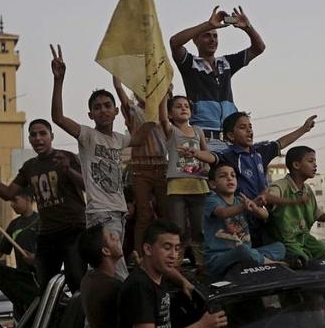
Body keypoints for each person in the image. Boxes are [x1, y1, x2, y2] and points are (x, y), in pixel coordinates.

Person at [50, 44, 129, 280]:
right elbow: (58, 118)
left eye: (107, 106)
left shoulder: (120, 139)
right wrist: (58, 81)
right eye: (97, 107)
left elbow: (145, 133)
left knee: (102, 270)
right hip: (101, 214)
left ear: (116, 111)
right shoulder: (87, 136)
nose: (103, 110)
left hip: (119, 213)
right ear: (90, 115)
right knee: (117, 270)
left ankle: (93, 304)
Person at [118, 220, 227, 328]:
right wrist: (202, 326)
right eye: (167, 247)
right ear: (148, 249)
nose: (174, 255)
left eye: (177, 249)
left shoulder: (155, 272)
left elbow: (168, 269)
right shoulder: (139, 288)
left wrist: (183, 281)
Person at [0, 119, 86, 293]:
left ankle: (80, 310)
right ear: (29, 139)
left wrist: (68, 170)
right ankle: (53, 310)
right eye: (33, 135)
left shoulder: (66, 157)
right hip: (47, 233)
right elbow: (8, 194)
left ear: (52, 136)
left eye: (43, 133)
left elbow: (87, 186)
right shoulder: (29, 167)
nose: (38, 138)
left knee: (76, 279)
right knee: (44, 285)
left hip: (73, 230)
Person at [184, 112, 317, 246]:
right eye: (242, 127)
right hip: (242, 213)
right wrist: (196, 153)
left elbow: (280, 143)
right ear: (231, 135)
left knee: (272, 246)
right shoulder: (230, 155)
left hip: (262, 212)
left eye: (250, 127)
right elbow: (212, 157)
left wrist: (304, 129)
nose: (249, 131)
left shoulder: (260, 152)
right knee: (247, 248)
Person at [170, 6, 266, 152]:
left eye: (215, 36)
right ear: (195, 41)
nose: (212, 40)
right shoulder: (190, 63)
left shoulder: (226, 63)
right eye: (207, 35)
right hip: (204, 139)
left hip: (231, 139)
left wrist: (248, 27)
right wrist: (208, 24)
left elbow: (259, 48)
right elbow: (174, 42)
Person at [265, 146, 325, 264]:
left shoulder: (307, 190)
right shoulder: (281, 185)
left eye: (315, 161)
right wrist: (294, 202)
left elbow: (318, 215)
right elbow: (267, 197)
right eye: (311, 161)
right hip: (284, 241)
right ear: (296, 165)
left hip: (304, 238)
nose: (315, 165)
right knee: (302, 260)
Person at [113, 76, 168, 256]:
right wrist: (117, 75)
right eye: (141, 90)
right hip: (140, 168)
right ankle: (139, 254)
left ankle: (165, 252)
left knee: (164, 211)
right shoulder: (134, 111)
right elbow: (120, 92)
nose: (146, 93)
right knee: (144, 213)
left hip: (162, 166)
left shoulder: (163, 113)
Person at [203, 162, 286, 279]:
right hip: (219, 259)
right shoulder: (212, 200)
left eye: (233, 175)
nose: (229, 178)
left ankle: (250, 263)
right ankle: (270, 264)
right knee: (243, 250)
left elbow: (265, 215)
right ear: (213, 184)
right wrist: (246, 206)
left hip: (246, 253)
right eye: (223, 176)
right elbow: (223, 213)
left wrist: (255, 207)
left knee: (279, 247)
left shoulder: (240, 201)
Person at [159, 94, 210, 271]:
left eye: (186, 106)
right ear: (170, 114)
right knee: (178, 228)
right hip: (177, 186)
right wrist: (163, 94)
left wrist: (206, 168)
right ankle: (175, 265)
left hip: (198, 185)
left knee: (199, 228)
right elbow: (162, 118)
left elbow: (206, 153)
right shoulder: (171, 131)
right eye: (178, 106)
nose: (183, 108)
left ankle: (202, 264)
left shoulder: (198, 130)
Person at [77, 223, 125, 328]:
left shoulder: (88, 280)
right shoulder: (113, 287)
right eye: (111, 237)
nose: (117, 237)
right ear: (106, 251)